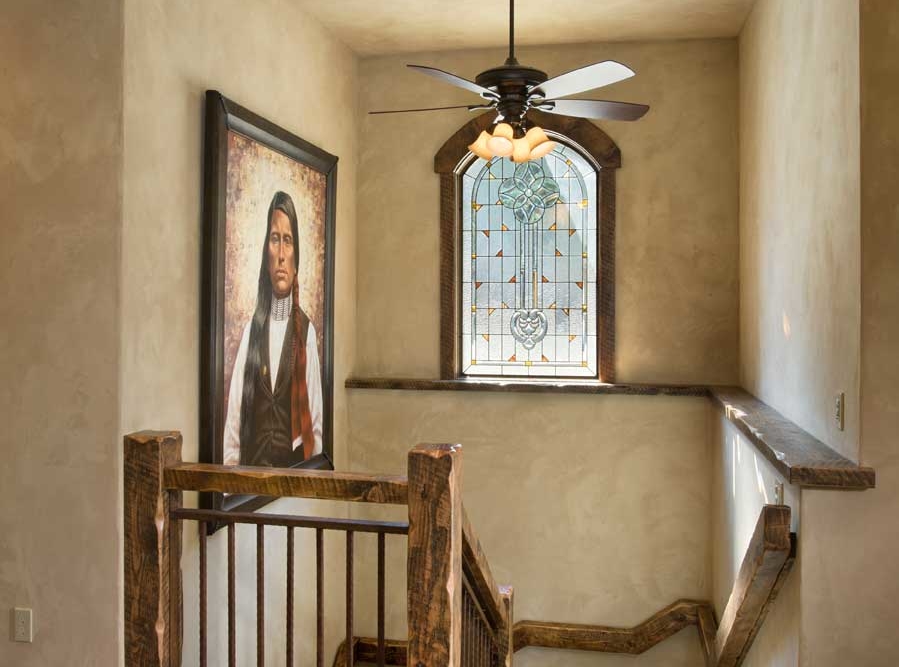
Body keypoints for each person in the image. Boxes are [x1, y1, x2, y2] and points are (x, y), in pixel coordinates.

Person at [223, 191, 323, 467]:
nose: (280, 254)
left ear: (296, 258)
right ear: (265, 250)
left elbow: (314, 429)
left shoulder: (306, 333)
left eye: (288, 241)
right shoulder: (251, 332)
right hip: (251, 487)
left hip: (291, 483)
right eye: (275, 239)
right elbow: (233, 426)